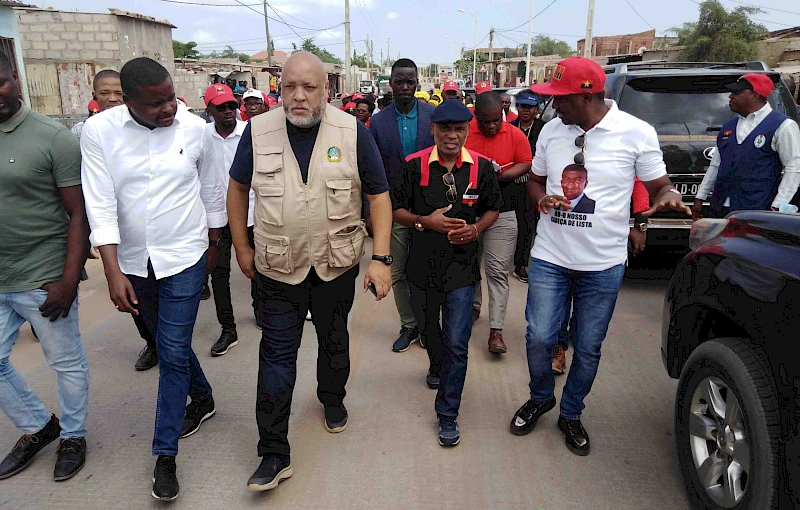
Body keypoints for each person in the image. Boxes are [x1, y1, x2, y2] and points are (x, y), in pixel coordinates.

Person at [226, 51, 392, 493]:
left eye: (309, 87)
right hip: (278, 268)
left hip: (336, 267)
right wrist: (241, 246)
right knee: (277, 358)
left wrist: (380, 258)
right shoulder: (257, 133)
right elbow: (238, 189)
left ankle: (331, 399)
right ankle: (273, 452)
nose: (298, 97)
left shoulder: (352, 131)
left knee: (334, 340)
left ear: (326, 90)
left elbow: (378, 196)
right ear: (279, 89)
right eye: (289, 88)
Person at [510, 56, 691, 456]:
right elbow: (535, 182)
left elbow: (660, 185)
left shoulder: (635, 133)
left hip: (603, 265)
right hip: (551, 256)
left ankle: (571, 413)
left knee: (588, 346)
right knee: (539, 336)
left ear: (587, 95)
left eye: (561, 98)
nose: (553, 106)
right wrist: (542, 200)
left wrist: (668, 197)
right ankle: (541, 396)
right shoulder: (552, 131)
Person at [81, 58, 226, 500]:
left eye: (171, 98)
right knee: (168, 343)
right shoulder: (99, 132)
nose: (169, 109)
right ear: (128, 101)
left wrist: (214, 247)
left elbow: (211, 189)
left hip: (184, 255)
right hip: (132, 261)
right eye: (156, 104)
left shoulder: (195, 129)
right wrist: (110, 271)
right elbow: (99, 203)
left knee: (173, 349)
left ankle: (165, 455)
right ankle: (203, 398)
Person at [0, 50, 91, 483]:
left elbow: (78, 213)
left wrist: (69, 280)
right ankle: (39, 426)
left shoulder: (53, 137)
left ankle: (73, 436)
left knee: (65, 363)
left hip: (43, 276)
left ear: (15, 78)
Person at [392, 100, 502, 447]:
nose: (451, 136)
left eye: (458, 129)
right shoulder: (413, 166)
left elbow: (493, 208)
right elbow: (395, 210)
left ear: (467, 131)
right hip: (421, 268)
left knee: (458, 342)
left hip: (462, 270)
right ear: (433, 130)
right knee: (430, 332)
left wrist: (476, 229)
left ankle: (448, 414)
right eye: (445, 129)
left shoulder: (482, 168)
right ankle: (436, 365)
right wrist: (425, 221)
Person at [69, 70, 161, 372]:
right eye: (104, 93)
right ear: (93, 97)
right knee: (132, 295)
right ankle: (153, 341)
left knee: (158, 294)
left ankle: (167, 343)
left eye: (118, 93)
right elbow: (92, 191)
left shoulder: (143, 127)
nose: (111, 99)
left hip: (150, 228)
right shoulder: (86, 132)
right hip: (112, 230)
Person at [369, 58, 436, 353]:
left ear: (417, 84)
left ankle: (429, 326)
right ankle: (409, 325)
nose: (405, 87)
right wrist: (369, 214)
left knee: (428, 269)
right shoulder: (378, 122)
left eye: (410, 81)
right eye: (400, 81)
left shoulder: (433, 116)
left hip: (429, 206)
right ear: (391, 84)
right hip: (392, 208)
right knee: (396, 271)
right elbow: (370, 170)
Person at [464, 91, 532, 354]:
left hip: (503, 213)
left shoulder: (515, 135)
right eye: (485, 121)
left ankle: (496, 331)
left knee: (497, 271)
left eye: (496, 120)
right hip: (469, 214)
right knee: (470, 266)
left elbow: (526, 163)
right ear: (476, 117)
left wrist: (502, 175)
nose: (491, 126)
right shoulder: (466, 133)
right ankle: (472, 308)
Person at [692, 73, 800, 219]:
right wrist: (700, 196)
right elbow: (716, 165)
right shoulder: (729, 126)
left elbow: (793, 168)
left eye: (737, 92)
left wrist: (778, 205)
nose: (730, 96)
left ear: (755, 95)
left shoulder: (783, 125)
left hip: (756, 208)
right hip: (720, 206)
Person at [201, 84, 255, 356]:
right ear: (208, 108)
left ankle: (262, 312)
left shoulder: (250, 133)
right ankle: (228, 329)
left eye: (232, 106)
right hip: (216, 218)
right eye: (220, 107)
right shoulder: (201, 137)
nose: (228, 112)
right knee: (219, 275)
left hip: (252, 214)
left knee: (259, 266)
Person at [508, 90, 545, 283]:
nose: (525, 111)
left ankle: (521, 264)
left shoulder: (544, 129)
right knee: (505, 223)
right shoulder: (509, 127)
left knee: (527, 225)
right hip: (509, 182)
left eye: (530, 107)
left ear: (537, 109)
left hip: (532, 185)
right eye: (522, 106)